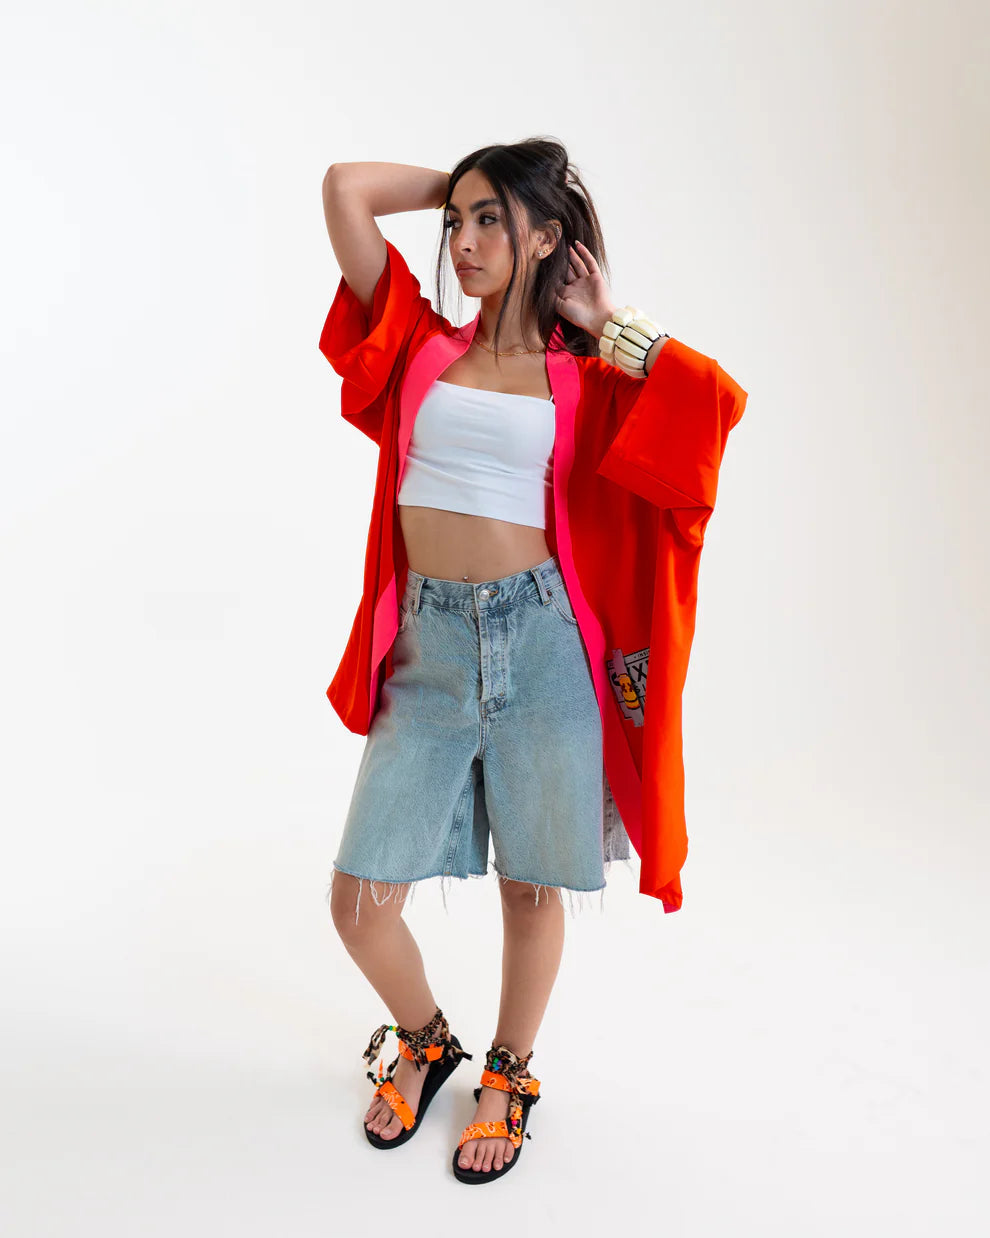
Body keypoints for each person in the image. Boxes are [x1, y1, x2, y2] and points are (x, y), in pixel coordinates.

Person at [320, 139, 712, 1183]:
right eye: (459, 221)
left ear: (546, 238)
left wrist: (608, 320)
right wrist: (463, 181)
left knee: (532, 888)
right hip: (430, 647)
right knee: (359, 900)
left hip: (543, 646)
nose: (464, 240)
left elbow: (706, 409)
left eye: (492, 220)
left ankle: (509, 1071)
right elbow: (346, 190)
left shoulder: (585, 375)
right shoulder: (418, 343)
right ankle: (426, 1039)